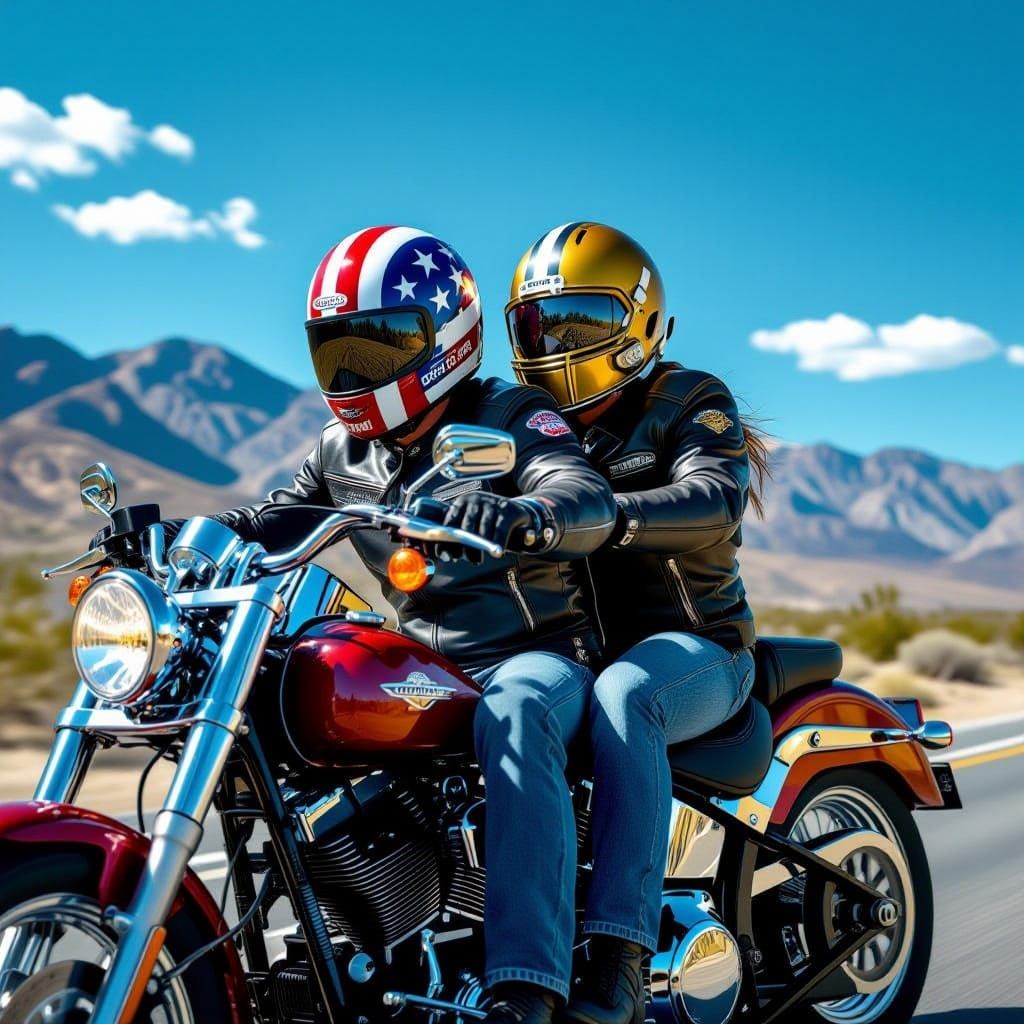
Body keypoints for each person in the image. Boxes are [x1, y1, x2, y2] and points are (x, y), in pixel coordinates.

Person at [198, 226, 616, 1024]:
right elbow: (275, 518)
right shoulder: (341, 449)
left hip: (535, 657)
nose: (355, 373)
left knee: (517, 711)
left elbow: (581, 492)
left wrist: (524, 510)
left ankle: (528, 986)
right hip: (428, 668)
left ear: (442, 337)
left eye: (379, 346)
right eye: (337, 351)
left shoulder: (511, 414)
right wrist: (186, 536)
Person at [505, 222, 769, 1024]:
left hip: (700, 651)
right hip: (579, 652)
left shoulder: (687, 401)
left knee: (627, 696)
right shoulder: (527, 426)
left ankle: (619, 956)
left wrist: (602, 515)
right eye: (538, 325)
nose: (556, 345)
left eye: (579, 322)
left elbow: (715, 495)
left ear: (638, 323)